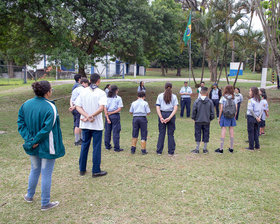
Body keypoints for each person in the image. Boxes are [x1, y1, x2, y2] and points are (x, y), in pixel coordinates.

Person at [17, 81, 65, 211]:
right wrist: (34, 141)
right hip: (46, 146)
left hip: (33, 144)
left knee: (35, 169)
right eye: (51, 90)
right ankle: (45, 203)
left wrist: (30, 140)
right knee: (46, 173)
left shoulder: (26, 104)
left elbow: (21, 124)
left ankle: (29, 196)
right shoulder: (50, 107)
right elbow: (47, 129)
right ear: (47, 91)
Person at [75, 73, 107, 177]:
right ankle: (96, 170)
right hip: (96, 124)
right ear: (98, 81)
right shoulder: (101, 93)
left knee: (84, 146)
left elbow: (77, 106)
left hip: (85, 124)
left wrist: (86, 116)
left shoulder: (83, 91)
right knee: (96, 147)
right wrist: (91, 116)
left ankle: (82, 169)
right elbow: (101, 108)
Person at [156, 82, 178, 156]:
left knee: (161, 133)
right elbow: (175, 108)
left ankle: (159, 151)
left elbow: (157, 107)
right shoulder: (174, 96)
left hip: (162, 113)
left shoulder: (160, 96)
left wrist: (161, 117)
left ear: (164, 87)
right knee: (170, 134)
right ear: (171, 88)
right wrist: (169, 118)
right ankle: (171, 152)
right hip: (170, 114)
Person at [191, 87, 215, 153]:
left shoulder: (197, 101)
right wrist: (210, 119)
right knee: (206, 134)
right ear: (207, 93)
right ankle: (205, 149)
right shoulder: (210, 102)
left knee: (197, 134)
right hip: (207, 121)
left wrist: (194, 118)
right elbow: (212, 112)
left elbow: (194, 111)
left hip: (198, 121)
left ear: (200, 92)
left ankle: (197, 148)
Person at [215, 85, 237, 153]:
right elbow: (236, 108)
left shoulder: (223, 98)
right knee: (231, 131)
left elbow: (221, 109)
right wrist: (234, 116)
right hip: (232, 116)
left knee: (223, 131)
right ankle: (231, 148)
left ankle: (221, 148)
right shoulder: (234, 97)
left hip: (224, 115)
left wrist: (219, 117)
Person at [69, 78, 89, 146]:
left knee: (76, 124)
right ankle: (77, 140)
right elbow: (81, 99)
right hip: (78, 108)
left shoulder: (75, 89)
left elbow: (71, 99)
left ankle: (79, 139)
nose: (87, 86)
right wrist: (75, 107)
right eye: (86, 84)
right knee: (78, 124)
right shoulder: (82, 89)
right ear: (83, 83)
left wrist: (72, 106)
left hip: (74, 108)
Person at [104, 85, 124, 152]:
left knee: (107, 131)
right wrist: (112, 113)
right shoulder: (118, 98)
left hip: (108, 115)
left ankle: (107, 146)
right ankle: (116, 147)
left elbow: (105, 108)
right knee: (116, 132)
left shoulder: (106, 98)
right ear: (116, 91)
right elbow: (119, 109)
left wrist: (107, 117)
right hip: (115, 116)